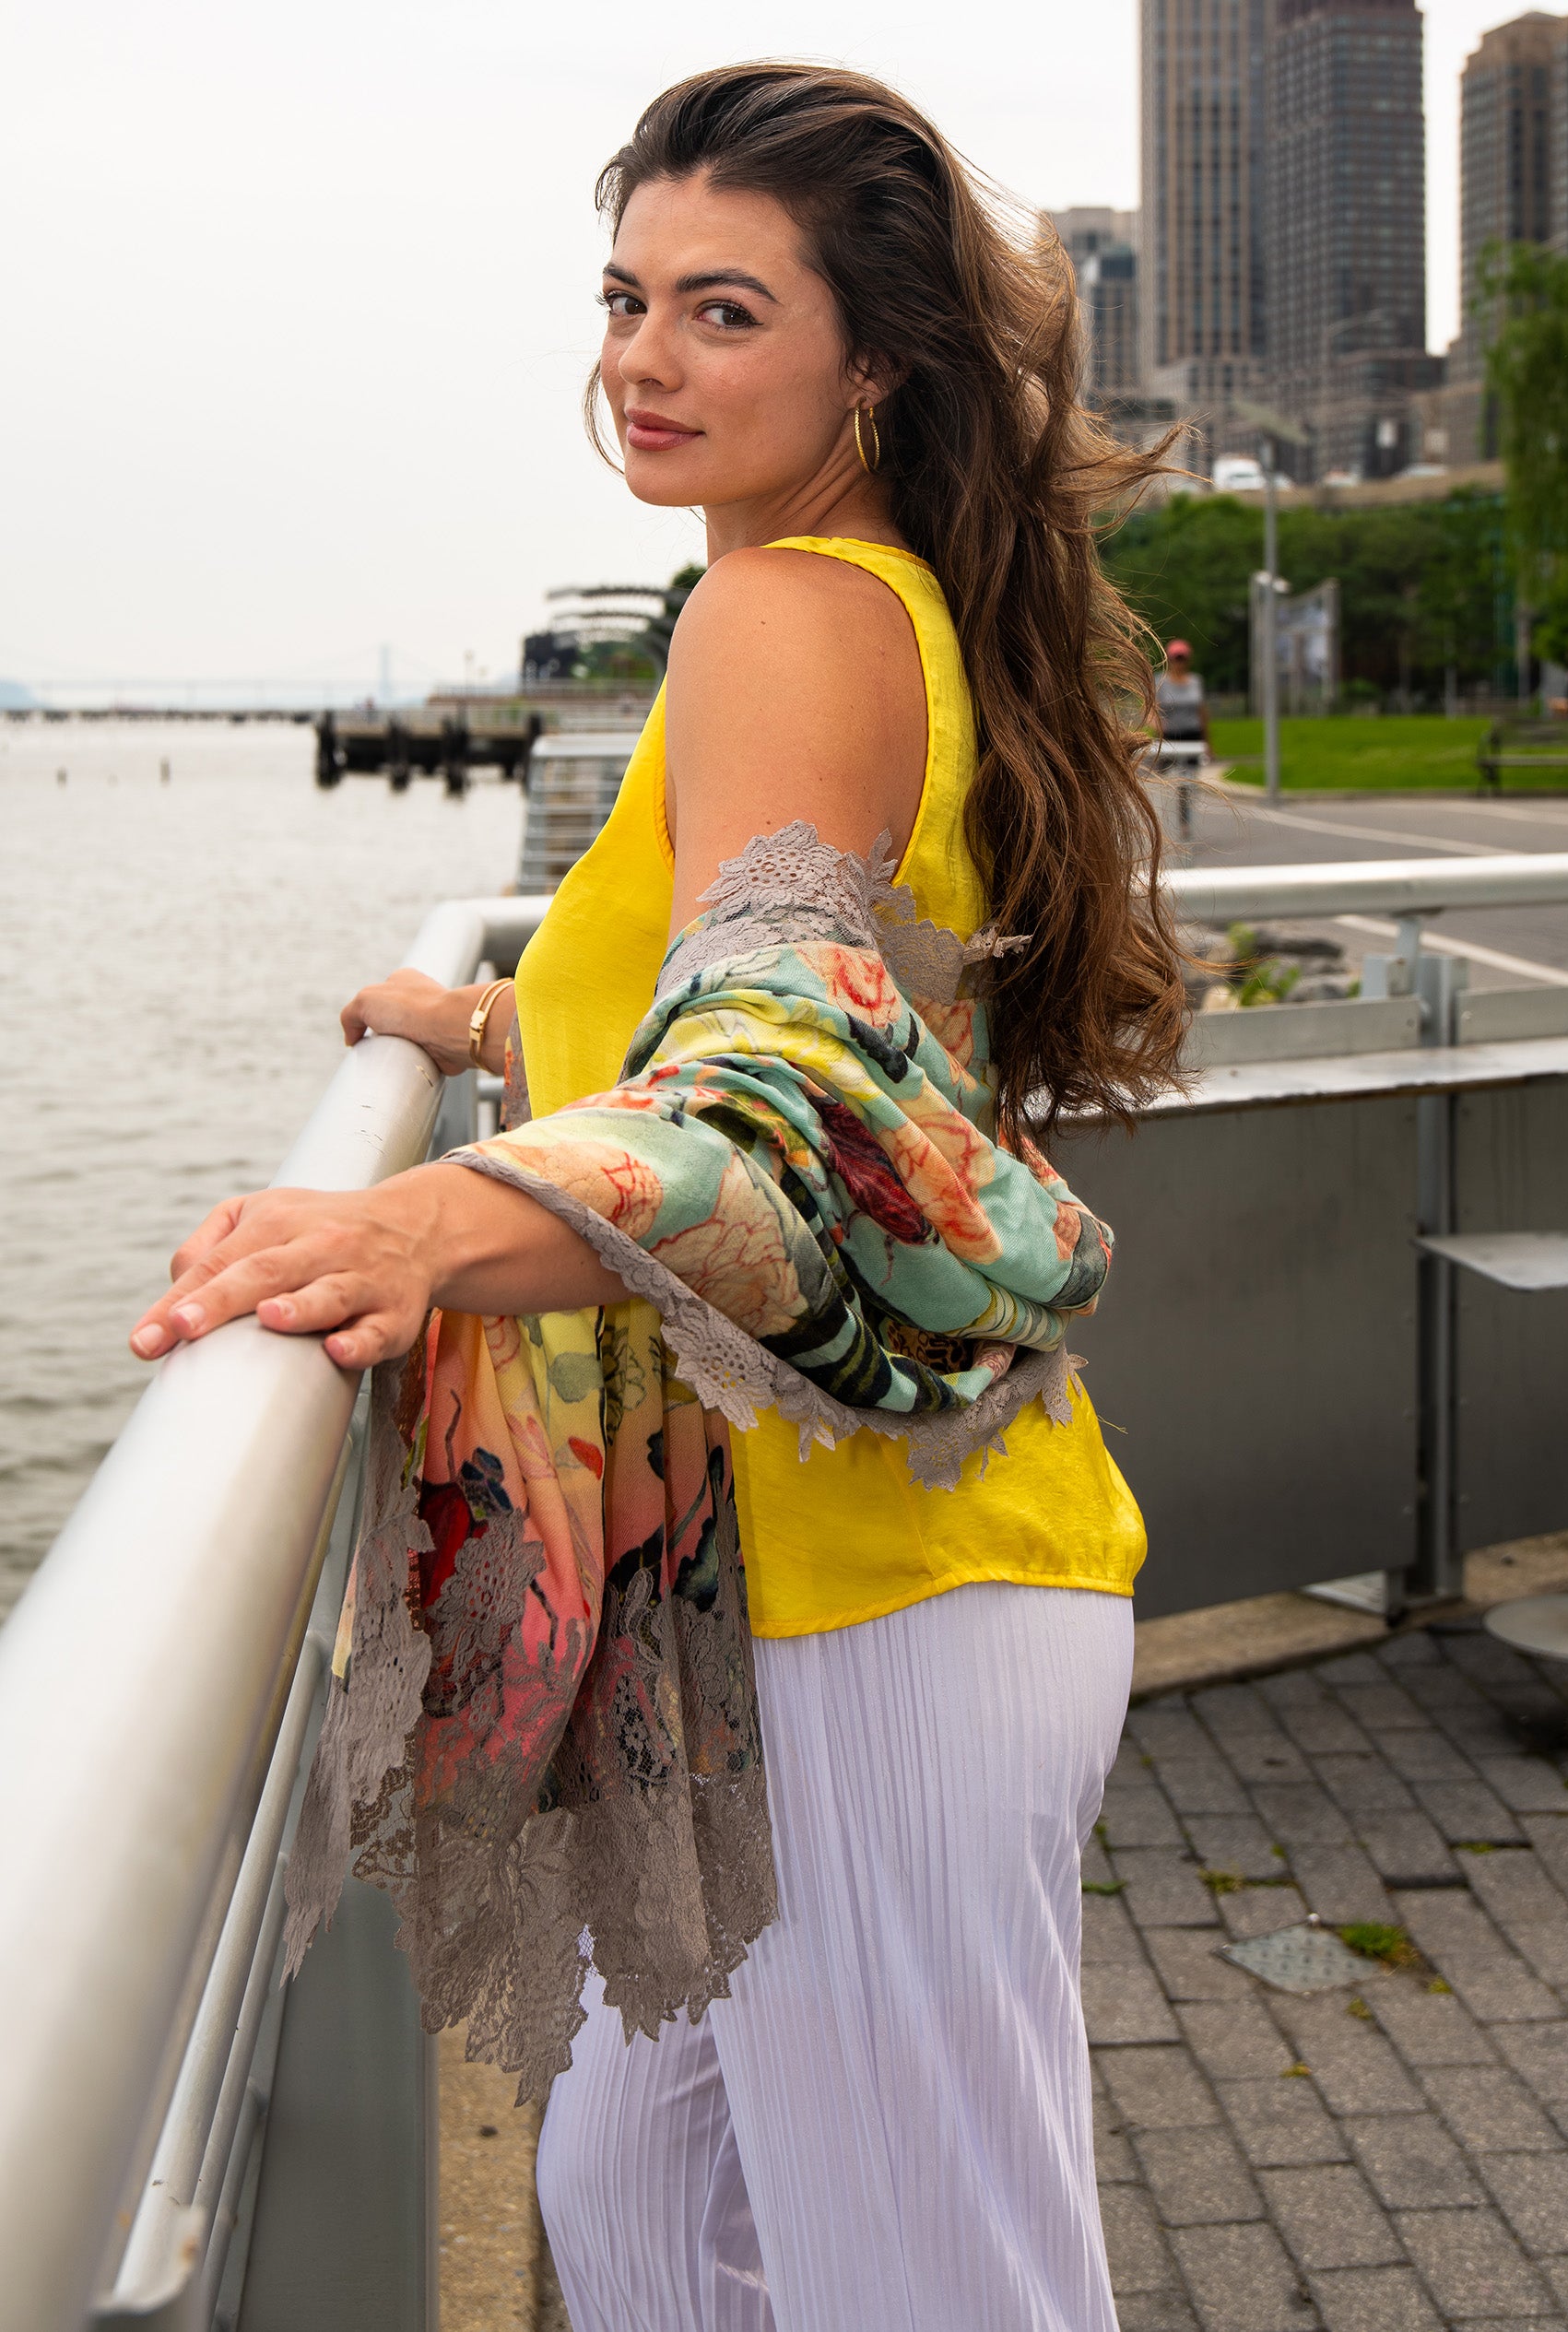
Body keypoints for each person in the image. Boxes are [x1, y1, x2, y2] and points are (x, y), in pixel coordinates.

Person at [131, 63, 1187, 2332]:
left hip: (870, 1607)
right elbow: (780, 999)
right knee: (628, 2205)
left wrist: (420, 1222)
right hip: (798, 1587)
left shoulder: (780, 613)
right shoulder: (868, 610)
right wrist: (482, 1026)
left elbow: (779, 1081)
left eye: (724, 310)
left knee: (934, 2294)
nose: (644, 356)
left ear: (871, 361)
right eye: (627, 298)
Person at [1153, 636, 1212, 758]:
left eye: (1182, 659)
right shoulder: (1161, 682)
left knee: (1192, 768)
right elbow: (1152, 709)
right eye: (1176, 659)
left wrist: (1207, 742)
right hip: (1169, 735)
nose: (1179, 663)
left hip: (1193, 733)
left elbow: (1201, 711)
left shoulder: (1195, 681)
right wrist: (1157, 726)